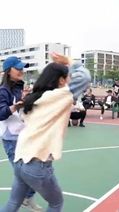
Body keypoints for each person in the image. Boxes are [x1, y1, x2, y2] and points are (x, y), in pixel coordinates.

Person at [0, 53, 90, 212]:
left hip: (21, 157)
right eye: (67, 77)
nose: (69, 79)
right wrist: (69, 61)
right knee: (56, 203)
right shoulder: (58, 96)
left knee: (13, 203)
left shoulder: (34, 98)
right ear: (61, 80)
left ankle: (28, 199)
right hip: (35, 161)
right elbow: (84, 77)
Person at [0, 56, 42, 211]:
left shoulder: (17, 88)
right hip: (11, 139)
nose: (21, 71)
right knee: (24, 175)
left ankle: (28, 196)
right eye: (18, 68)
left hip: (23, 135)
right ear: (8, 71)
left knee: (35, 169)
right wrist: (15, 107)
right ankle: (25, 198)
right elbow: (1, 113)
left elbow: (20, 110)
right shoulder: (3, 91)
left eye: (22, 68)